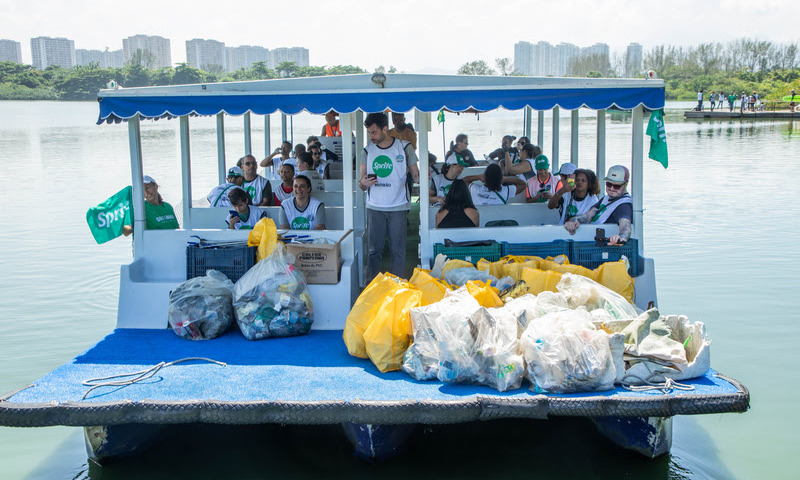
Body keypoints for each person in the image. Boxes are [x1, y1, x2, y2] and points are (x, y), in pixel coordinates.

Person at [358, 112, 420, 280]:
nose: (371, 136)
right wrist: (364, 182)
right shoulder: (367, 150)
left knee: (398, 251)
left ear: (385, 129)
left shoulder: (404, 147)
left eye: (374, 132)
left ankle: (396, 287)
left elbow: (416, 175)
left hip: (398, 206)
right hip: (375, 207)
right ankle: (372, 287)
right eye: (369, 132)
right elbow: (361, 184)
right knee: (374, 251)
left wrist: (425, 177)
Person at [564, 165, 632, 245]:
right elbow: (588, 216)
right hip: (593, 241)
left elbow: (625, 226)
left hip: (605, 246)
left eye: (617, 186)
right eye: (609, 184)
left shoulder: (624, 205)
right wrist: (574, 220)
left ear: (626, 184)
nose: (612, 188)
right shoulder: (606, 199)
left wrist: (621, 238)